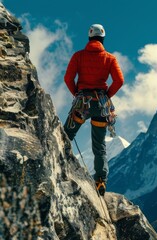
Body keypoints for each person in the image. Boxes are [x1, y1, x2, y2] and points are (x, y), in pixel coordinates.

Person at [63, 24, 124, 196]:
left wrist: (76, 93)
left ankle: (60, 164)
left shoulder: (79, 56)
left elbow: (68, 78)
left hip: (82, 102)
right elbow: (119, 80)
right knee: (99, 146)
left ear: (89, 37)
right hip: (101, 105)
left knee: (66, 135)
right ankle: (100, 181)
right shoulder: (110, 58)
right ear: (103, 38)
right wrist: (107, 95)